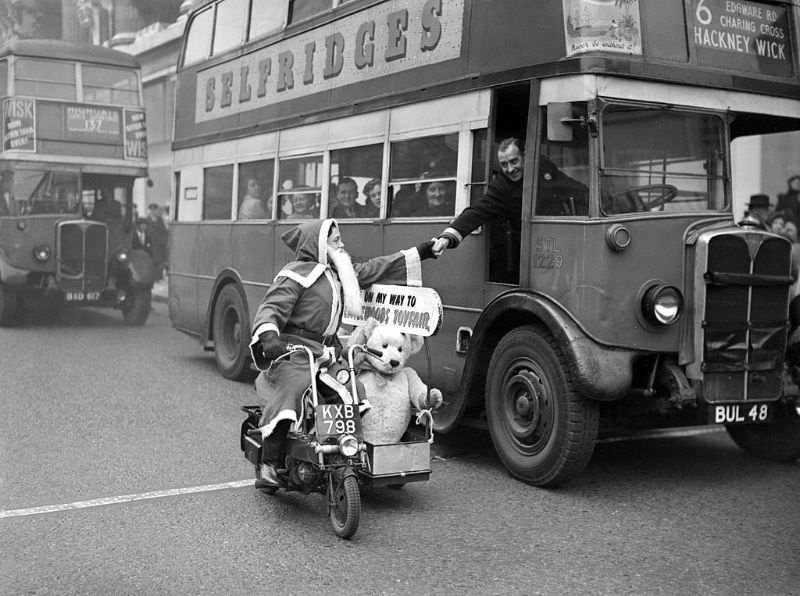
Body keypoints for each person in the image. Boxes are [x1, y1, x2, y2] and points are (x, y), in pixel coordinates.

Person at [248, 218, 438, 487]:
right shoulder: (295, 275)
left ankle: (345, 452)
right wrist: (269, 336)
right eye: (336, 240)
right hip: (295, 353)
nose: (342, 244)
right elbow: (271, 308)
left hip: (327, 353)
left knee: (354, 391)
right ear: (318, 245)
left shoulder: (339, 273)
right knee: (294, 389)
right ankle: (270, 463)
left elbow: (378, 267)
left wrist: (423, 251)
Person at [432, 137, 526, 256]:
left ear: (525, 156)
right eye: (504, 165)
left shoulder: (546, 169)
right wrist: (448, 237)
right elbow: (478, 211)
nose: (510, 169)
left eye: (514, 161)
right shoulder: (501, 185)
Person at [146, 203, 168, 280]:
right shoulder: (147, 221)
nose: (154, 212)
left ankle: (159, 277)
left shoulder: (160, 220)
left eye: (155, 210)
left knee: (159, 261)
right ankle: (151, 277)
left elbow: (164, 232)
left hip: (159, 244)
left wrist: (164, 241)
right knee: (151, 261)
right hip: (150, 244)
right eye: (152, 210)